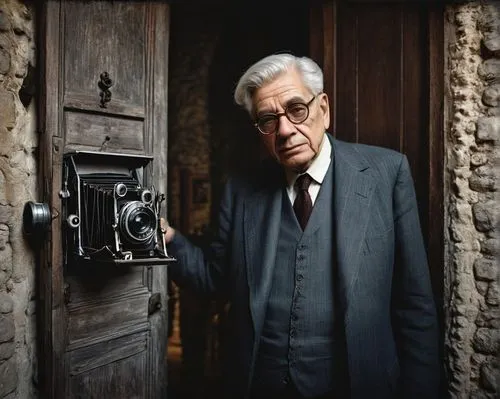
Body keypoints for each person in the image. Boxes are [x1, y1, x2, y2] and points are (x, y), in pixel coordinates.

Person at [163, 53, 439, 399]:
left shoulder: (386, 173)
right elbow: (216, 277)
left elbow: (415, 305)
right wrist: (168, 238)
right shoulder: (241, 190)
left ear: (323, 108)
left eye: (296, 109)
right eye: (267, 119)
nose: (284, 130)